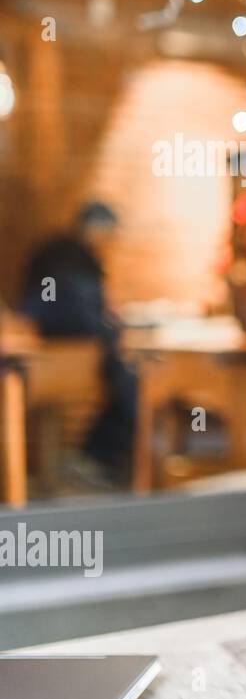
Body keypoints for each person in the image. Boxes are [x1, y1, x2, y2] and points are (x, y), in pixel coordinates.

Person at [22, 201, 136, 487]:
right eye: (108, 234)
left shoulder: (55, 254)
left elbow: (38, 309)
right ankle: (97, 458)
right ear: (96, 229)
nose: (108, 242)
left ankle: (92, 459)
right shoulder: (75, 261)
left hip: (52, 350)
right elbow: (79, 315)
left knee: (128, 382)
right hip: (72, 355)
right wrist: (111, 330)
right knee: (131, 383)